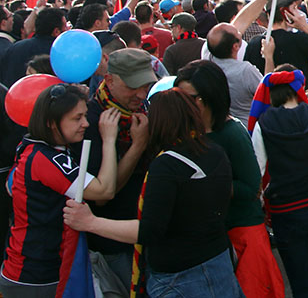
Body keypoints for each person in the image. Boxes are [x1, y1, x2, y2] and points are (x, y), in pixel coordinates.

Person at [64, 89, 242, 298]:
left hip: (181, 277)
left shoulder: (167, 165)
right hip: (218, 262)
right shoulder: (214, 151)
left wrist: (91, 222)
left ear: (158, 122)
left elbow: (149, 230)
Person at [175, 61, 284, 298]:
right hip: (210, 237)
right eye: (177, 97)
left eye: (189, 98)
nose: (181, 105)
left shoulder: (232, 133)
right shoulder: (185, 130)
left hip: (242, 233)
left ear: (209, 97)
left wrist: (205, 186)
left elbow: (251, 187)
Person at [0, 85, 119, 298]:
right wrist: (109, 140)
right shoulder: (45, 159)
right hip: (35, 276)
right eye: (77, 118)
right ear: (51, 122)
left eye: (85, 115)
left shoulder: (31, 146)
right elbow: (105, 191)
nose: (86, 123)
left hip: (31, 269)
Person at [249, 64, 308, 298]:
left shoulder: (264, 123)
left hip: (287, 210)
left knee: (300, 279)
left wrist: (259, 204)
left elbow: (257, 170)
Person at [74, 48, 153, 293]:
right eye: (133, 87)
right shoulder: (89, 121)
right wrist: (138, 146)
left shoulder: (144, 109)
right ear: (109, 80)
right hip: (112, 242)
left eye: (146, 86)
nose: (141, 94)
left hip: (144, 232)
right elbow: (103, 195)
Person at [206, 23, 265, 127]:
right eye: (237, 32)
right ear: (236, 46)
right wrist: (268, 57)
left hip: (219, 126)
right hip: (247, 128)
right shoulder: (245, 71)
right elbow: (267, 94)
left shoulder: (208, 63)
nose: (240, 32)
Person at [1, 8, 66, 88]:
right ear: (56, 31)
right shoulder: (59, 52)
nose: (67, 29)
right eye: (65, 27)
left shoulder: (15, 47)